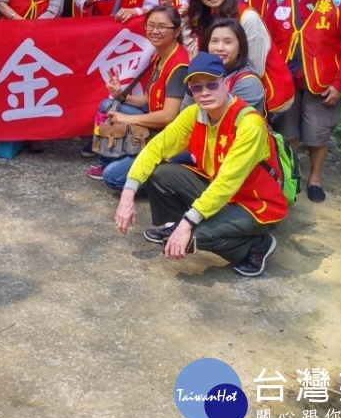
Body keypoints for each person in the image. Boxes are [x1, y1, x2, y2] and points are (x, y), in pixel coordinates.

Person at [114, 52, 288, 277]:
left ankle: (256, 246)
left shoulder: (249, 124)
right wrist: (127, 195)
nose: (205, 93)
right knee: (161, 173)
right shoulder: (195, 113)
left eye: (212, 84)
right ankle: (180, 224)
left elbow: (227, 182)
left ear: (226, 84)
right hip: (219, 190)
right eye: (197, 88)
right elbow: (156, 148)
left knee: (196, 235)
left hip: (254, 203)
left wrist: (187, 224)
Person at [269, 0, 341, 203]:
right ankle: (293, 174)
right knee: (287, 131)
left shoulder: (337, 0)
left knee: (317, 132)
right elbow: (270, 37)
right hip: (286, 77)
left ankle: (315, 177)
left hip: (323, 79)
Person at [90, 5, 189, 188]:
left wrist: (129, 119)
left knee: (112, 177)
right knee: (109, 105)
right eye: (150, 26)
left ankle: (164, 175)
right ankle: (117, 159)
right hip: (155, 125)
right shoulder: (159, 56)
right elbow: (147, 99)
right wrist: (121, 95)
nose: (154, 31)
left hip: (167, 135)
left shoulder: (179, 65)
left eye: (161, 27)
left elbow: (168, 116)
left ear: (177, 31)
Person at [186, 0, 293, 115]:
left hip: (262, 90)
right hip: (225, 88)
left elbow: (255, 67)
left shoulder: (247, 17)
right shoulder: (208, 17)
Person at [187, 19, 268, 115]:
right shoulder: (205, 72)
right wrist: (193, 74)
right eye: (214, 41)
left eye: (227, 42)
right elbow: (185, 113)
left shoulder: (248, 82)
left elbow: (220, 118)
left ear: (240, 47)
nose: (219, 48)